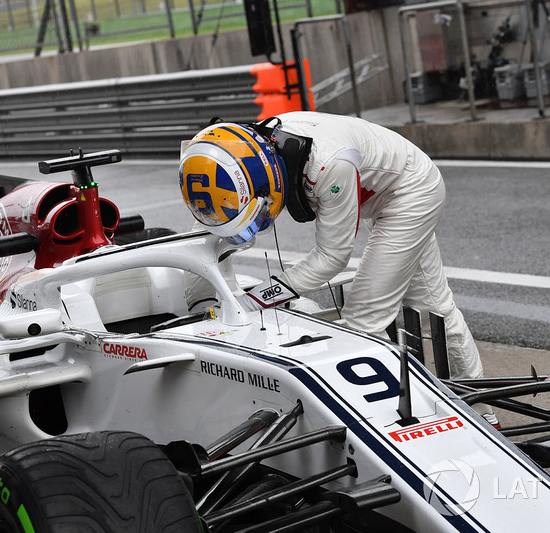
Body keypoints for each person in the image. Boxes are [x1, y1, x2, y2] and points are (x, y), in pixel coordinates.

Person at [179, 112, 499, 426]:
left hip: (410, 191)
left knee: (365, 318)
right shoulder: (221, 158)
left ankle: (393, 422)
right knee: (436, 304)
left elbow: (332, 258)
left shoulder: (328, 165)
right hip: (378, 178)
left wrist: (257, 299)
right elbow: (207, 237)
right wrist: (206, 306)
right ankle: (480, 409)